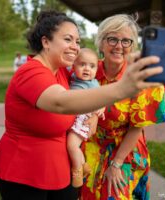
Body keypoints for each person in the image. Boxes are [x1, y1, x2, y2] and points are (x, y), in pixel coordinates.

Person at [0, 10, 164, 200]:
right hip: (27, 169)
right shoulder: (31, 73)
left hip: (64, 165)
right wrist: (122, 89)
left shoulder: (62, 71)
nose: (75, 47)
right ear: (46, 42)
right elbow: (60, 102)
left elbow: (83, 92)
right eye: (68, 39)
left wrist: (95, 115)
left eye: (77, 41)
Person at [80, 14, 165, 200]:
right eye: (112, 39)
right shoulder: (87, 70)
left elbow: (137, 127)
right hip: (90, 145)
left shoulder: (140, 77)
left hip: (125, 150)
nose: (119, 46)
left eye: (126, 41)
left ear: (133, 45)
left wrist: (116, 164)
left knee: (114, 195)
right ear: (101, 42)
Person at [67, 48, 104, 188]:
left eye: (92, 66)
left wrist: (99, 109)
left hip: (83, 119)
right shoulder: (75, 78)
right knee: (74, 146)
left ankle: (77, 171)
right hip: (78, 118)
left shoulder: (93, 84)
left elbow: (102, 99)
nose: (87, 69)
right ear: (73, 66)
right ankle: (84, 166)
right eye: (82, 64)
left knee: (71, 145)